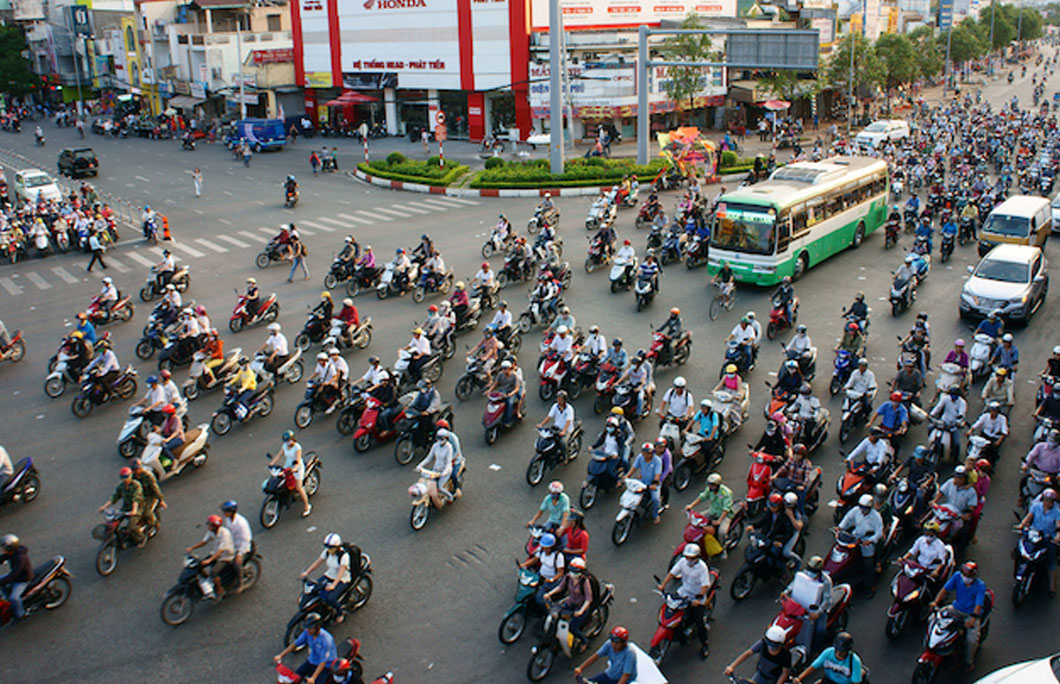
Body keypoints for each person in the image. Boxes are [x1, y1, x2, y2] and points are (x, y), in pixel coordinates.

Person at [929, 561, 988, 672]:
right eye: (964, 574)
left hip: (970, 615)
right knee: (933, 618)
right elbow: (945, 590)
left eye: (969, 575)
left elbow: (978, 605)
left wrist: (973, 619)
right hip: (955, 609)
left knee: (971, 640)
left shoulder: (980, 586)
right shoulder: (957, 576)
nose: (966, 577)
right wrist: (935, 602)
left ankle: (968, 662)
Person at [657, 543, 713, 657]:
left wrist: (698, 598)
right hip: (684, 592)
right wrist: (663, 585)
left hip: (696, 597)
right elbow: (672, 573)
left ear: (697, 557)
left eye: (691, 558)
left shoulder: (702, 567)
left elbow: (705, 586)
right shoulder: (683, 562)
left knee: (699, 622)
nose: (689, 559)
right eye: (687, 557)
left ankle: (704, 644)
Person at [781, 554, 833, 652]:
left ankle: (815, 650)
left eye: (814, 571)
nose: (810, 573)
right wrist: (786, 592)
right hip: (802, 606)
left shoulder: (826, 581)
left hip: (819, 608)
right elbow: (794, 583)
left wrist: (817, 613)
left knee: (820, 631)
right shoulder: (804, 574)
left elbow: (827, 600)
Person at [300, 533, 354, 623]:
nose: (329, 549)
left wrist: (333, 585)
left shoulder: (344, 556)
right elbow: (318, 562)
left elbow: (341, 572)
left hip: (341, 580)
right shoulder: (327, 552)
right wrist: (307, 572)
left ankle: (340, 613)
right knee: (313, 589)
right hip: (329, 575)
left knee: (330, 598)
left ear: (337, 547)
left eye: (331, 547)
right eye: (327, 547)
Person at [273, 612, 338, 684]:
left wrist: (313, 678)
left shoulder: (326, 640)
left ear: (317, 627)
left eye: (310, 628)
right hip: (312, 660)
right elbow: (295, 644)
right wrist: (281, 655)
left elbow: (323, 662)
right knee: (295, 677)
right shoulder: (307, 632)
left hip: (325, 666)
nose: (308, 630)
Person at [838, 494, 884, 595]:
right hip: (855, 537)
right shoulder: (856, 511)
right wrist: (840, 528)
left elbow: (879, 533)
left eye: (865, 508)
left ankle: (869, 586)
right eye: (861, 507)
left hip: (866, 541)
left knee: (868, 564)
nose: (862, 510)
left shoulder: (876, 516)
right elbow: (847, 519)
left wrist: (870, 540)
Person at [543, 555, 594, 645]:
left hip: (580, 607)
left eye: (575, 571)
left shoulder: (585, 582)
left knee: (573, 628)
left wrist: (581, 611)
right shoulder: (568, 577)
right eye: (571, 570)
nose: (572, 573)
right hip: (570, 602)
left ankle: (584, 641)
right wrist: (549, 594)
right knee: (556, 617)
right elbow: (560, 587)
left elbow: (588, 599)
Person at [1017, 489, 1060, 595]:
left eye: (1050, 501)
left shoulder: (1057, 512)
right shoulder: (1036, 507)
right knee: (1020, 547)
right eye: (1046, 500)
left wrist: (1057, 536)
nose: (1048, 503)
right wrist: (1021, 525)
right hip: (1033, 535)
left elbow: (1058, 525)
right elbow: (1028, 517)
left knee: (1052, 562)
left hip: (1047, 538)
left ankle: (1052, 587)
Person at [184, 514, 235, 600]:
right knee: (199, 565)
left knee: (213, 572)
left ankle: (220, 590)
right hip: (215, 553)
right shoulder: (211, 532)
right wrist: (192, 548)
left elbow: (221, 551)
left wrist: (210, 560)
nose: (208, 526)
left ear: (215, 527)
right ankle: (209, 581)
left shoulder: (224, 534)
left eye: (210, 525)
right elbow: (204, 542)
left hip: (225, 557)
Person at [724, 625, 793, 684]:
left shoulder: (785, 654)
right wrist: (732, 666)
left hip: (774, 679)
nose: (771, 647)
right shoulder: (762, 644)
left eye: (775, 645)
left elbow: (785, 673)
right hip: (761, 674)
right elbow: (748, 653)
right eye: (769, 643)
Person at [269, 431, 312, 518]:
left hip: (297, 468)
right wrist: (272, 463)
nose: (287, 442)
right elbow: (279, 455)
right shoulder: (284, 446)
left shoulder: (297, 448)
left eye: (289, 440)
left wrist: (294, 469)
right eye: (286, 441)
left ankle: (307, 506)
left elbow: (298, 461)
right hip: (287, 467)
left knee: (298, 487)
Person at [793, 632, 864, 684]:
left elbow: (856, 682)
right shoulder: (828, 653)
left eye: (842, 651)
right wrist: (799, 678)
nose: (839, 653)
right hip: (829, 681)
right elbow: (813, 667)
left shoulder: (854, 661)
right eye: (837, 650)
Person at [932, 466, 978, 545]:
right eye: (956, 477)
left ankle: (950, 538)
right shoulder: (950, 482)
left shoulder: (971, 492)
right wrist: (934, 501)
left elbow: (971, 507)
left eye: (960, 478)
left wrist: (966, 515)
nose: (957, 480)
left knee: (957, 526)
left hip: (958, 514)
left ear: (965, 479)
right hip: (946, 510)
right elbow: (941, 492)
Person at [415, 428, 458, 508]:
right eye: (438, 438)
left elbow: (449, 462)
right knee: (426, 483)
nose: (439, 440)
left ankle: (450, 496)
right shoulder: (435, 446)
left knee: (440, 487)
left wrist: (445, 472)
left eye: (441, 438)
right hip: (435, 470)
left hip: (445, 471)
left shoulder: (449, 447)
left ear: (446, 438)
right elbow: (429, 458)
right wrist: (420, 465)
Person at [220, 500, 252, 593]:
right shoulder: (228, 520)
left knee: (236, 564)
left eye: (225, 511)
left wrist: (239, 553)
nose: (224, 513)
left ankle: (240, 582)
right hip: (232, 544)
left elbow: (246, 539)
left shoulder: (241, 523)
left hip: (242, 547)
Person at [0, 534, 32, 621]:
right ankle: (8, 600)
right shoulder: (12, 553)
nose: (2, 550)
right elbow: (2, 558)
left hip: (22, 579)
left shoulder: (19, 558)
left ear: (10, 548)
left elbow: (14, 575)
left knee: (14, 597)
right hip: (16, 576)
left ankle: (20, 613)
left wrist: (3, 582)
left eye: (4, 548)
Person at [931, 387, 968, 461]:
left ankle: (955, 459)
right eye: (952, 395)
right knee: (930, 428)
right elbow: (938, 407)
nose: (953, 397)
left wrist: (959, 421)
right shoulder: (946, 399)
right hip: (943, 422)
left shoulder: (962, 403)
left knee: (956, 443)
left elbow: (962, 413)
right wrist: (932, 414)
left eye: (955, 395)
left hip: (953, 425)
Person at [130, 456, 165, 530]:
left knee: (146, 511)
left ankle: (154, 523)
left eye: (136, 469)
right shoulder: (133, 477)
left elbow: (155, 489)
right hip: (140, 496)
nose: (135, 471)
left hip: (150, 496)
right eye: (133, 469)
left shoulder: (148, 476)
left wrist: (161, 500)